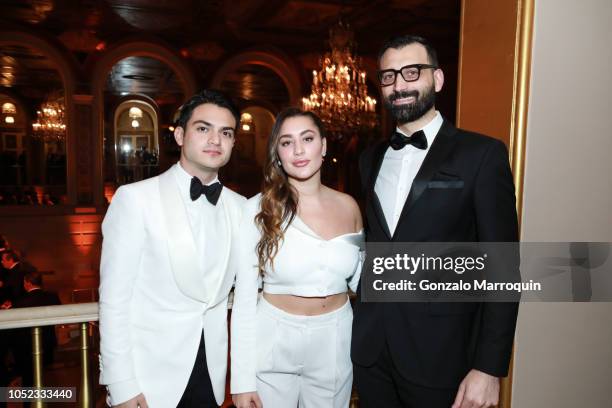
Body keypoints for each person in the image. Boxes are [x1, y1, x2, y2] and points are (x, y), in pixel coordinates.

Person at [351, 35, 519, 408]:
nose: (399, 85)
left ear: (438, 80)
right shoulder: (370, 159)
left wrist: (488, 368)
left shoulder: (482, 154)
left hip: (442, 358)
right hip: (371, 351)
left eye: (412, 72)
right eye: (389, 76)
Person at [99, 89, 246, 408]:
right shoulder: (135, 199)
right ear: (180, 135)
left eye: (226, 132)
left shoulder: (241, 208)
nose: (215, 140)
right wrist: (121, 382)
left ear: (234, 142)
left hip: (213, 376)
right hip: (148, 379)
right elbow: (114, 300)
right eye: (203, 128)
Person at [231, 108, 364, 408]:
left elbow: (364, 279)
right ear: (277, 153)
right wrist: (241, 381)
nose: (299, 150)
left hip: (335, 338)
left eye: (307, 138)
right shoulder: (257, 210)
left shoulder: (350, 206)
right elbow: (243, 300)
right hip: (274, 339)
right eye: (287, 142)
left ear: (324, 145)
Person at [10, 270, 61, 388]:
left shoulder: (20, 302)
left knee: (28, 379)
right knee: (46, 376)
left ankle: (29, 403)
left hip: (27, 347)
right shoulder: (52, 297)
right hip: (47, 344)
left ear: (27, 283)